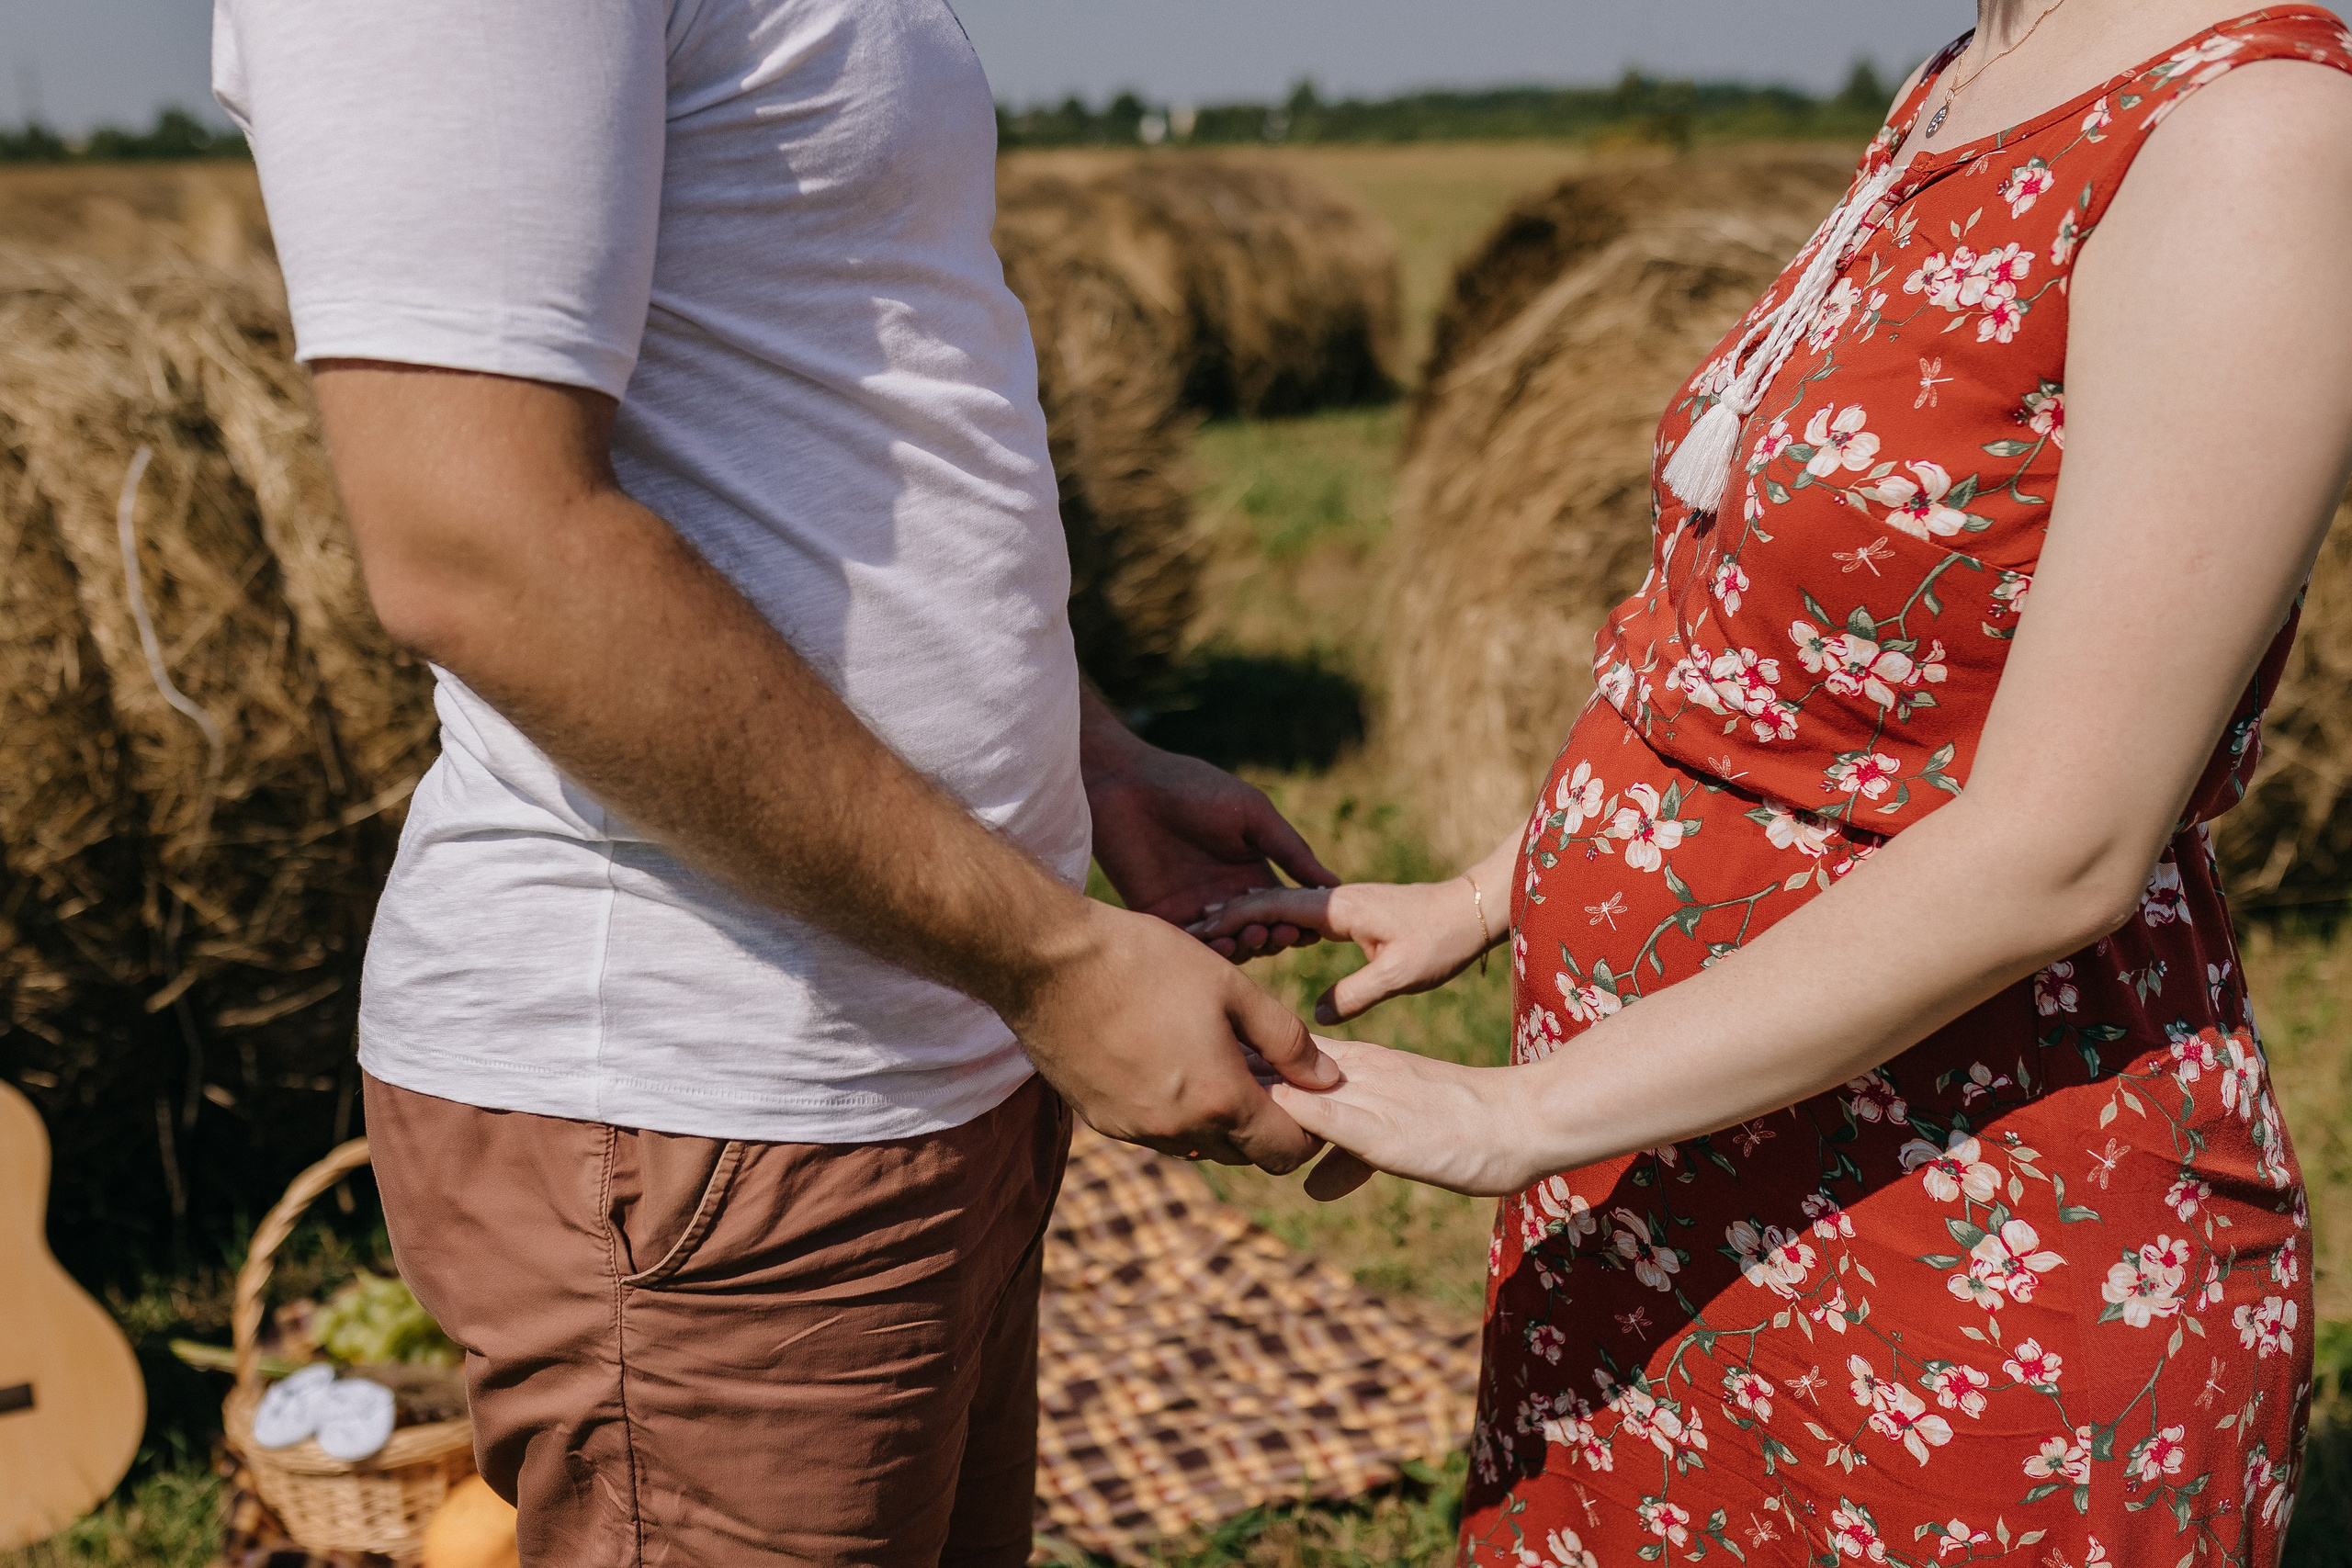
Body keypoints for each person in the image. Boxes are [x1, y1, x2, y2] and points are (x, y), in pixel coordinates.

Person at [1195, 3, 2352, 1561]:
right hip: (1675, 1179)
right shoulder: (1972, 75)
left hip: (1970, 1229)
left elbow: (2065, 844)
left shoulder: (2255, 138)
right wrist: (1491, 888)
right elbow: (1774, 650)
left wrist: (1521, 1113)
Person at [210, 3, 1337, 1563]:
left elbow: (839, 411)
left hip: (933, 1038)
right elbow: (482, 547)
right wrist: (1052, 959)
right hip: (710, 1100)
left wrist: (1085, 758)